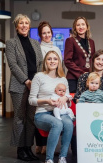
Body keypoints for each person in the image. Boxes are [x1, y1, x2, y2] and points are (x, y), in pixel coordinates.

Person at [5, 14, 43, 161]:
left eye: (27, 23)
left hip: (35, 85)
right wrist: (27, 81)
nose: (24, 25)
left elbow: (40, 64)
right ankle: (20, 150)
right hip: (19, 85)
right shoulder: (11, 43)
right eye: (21, 23)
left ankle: (28, 148)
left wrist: (37, 81)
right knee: (20, 117)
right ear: (16, 26)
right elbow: (13, 65)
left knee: (31, 118)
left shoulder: (35, 43)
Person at [29, 50, 73, 163]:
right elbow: (31, 100)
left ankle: (62, 158)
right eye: (49, 59)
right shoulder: (38, 76)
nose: (52, 61)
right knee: (57, 123)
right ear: (45, 62)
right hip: (42, 114)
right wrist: (47, 101)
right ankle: (48, 161)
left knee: (69, 123)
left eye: (55, 59)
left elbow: (68, 98)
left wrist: (65, 97)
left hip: (59, 111)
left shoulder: (63, 79)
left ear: (59, 62)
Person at [35, 21, 63, 155]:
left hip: (55, 84)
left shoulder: (56, 49)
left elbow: (60, 67)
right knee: (42, 111)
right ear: (40, 35)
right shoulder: (39, 48)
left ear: (52, 33)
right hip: (43, 84)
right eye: (44, 33)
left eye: (48, 32)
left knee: (53, 113)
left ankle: (47, 145)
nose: (47, 35)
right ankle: (40, 144)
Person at [64, 16, 95, 93]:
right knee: (74, 103)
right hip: (74, 78)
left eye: (83, 24)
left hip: (88, 78)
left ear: (87, 27)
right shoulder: (70, 40)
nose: (81, 27)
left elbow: (93, 60)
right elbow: (67, 61)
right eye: (78, 25)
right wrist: (81, 73)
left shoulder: (91, 42)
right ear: (75, 27)